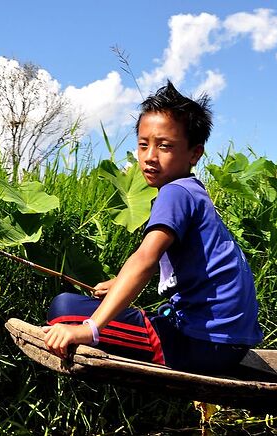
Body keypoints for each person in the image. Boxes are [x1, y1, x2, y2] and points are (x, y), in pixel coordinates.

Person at [42, 81, 263, 374]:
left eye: (165, 146)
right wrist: (118, 284)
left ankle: (94, 328)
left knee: (64, 310)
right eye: (143, 144)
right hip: (227, 343)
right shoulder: (194, 192)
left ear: (194, 154)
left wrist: (90, 329)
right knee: (79, 307)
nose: (149, 156)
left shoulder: (175, 192)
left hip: (200, 345)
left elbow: (145, 259)